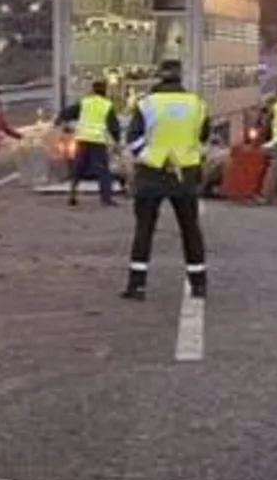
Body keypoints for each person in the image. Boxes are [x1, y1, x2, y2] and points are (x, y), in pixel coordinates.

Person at [122, 60, 210, 301]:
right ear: (181, 78)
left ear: (159, 77)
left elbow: (134, 138)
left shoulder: (147, 104)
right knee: (190, 230)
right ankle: (199, 284)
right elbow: (203, 138)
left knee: (144, 230)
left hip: (152, 174)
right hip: (186, 174)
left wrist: (152, 158)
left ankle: (137, 285)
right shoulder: (197, 105)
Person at [54, 80, 121, 207]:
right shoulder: (107, 105)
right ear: (105, 91)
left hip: (83, 139)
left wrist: (59, 121)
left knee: (78, 168)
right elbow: (114, 126)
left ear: (93, 90)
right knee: (103, 171)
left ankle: (72, 194)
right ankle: (106, 199)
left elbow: (67, 113)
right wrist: (117, 142)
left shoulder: (85, 102)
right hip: (98, 140)